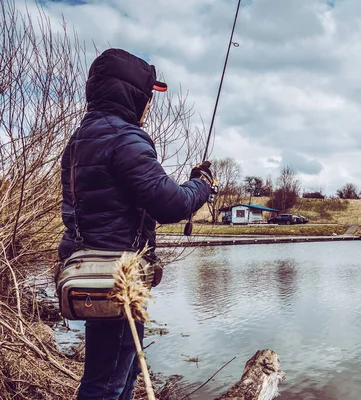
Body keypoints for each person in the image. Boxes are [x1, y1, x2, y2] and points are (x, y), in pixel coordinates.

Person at [58, 48, 213, 399]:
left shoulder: (81, 138)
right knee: (108, 384)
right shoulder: (125, 138)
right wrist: (203, 185)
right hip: (118, 277)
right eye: (147, 97)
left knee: (119, 375)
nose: (148, 106)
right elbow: (171, 203)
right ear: (133, 94)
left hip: (91, 270)